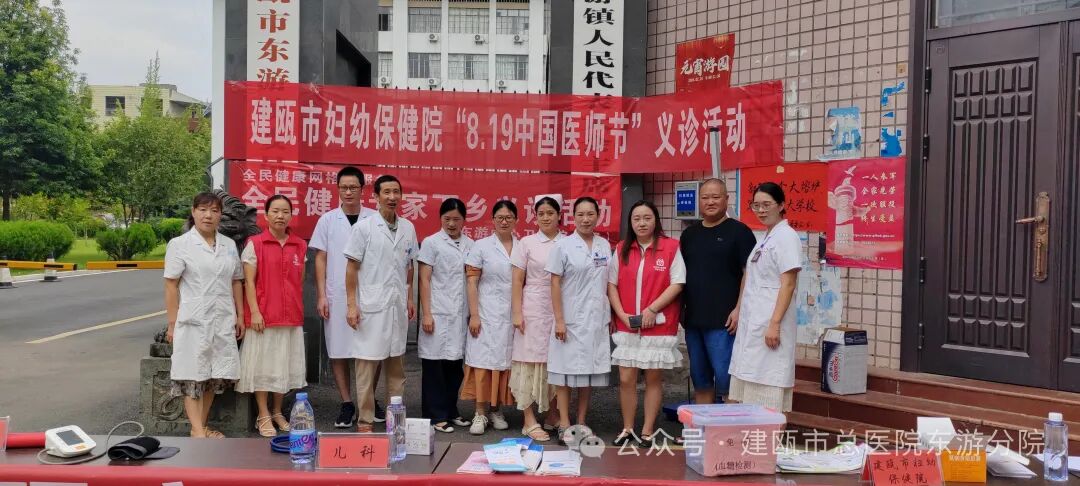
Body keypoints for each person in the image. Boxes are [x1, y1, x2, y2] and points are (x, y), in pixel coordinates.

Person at [164, 192, 245, 438]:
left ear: (220, 215)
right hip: (193, 320)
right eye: (202, 210)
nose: (208, 215)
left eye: (214, 211)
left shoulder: (228, 245)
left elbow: (236, 281)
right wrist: (172, 323)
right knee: (192, 375)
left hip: (222, 318)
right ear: (193, 212)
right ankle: (199, 432)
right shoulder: (180, 244)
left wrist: (240, 316)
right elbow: (171, 285)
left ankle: (200, 426)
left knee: (212, 376)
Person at [606, 200, 685, 447]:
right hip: (627, 325)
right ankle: (628, 428)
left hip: (658, 325)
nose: (642, 223)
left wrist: (652, 309)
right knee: (626, 378)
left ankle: (648, 430)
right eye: (636, 218)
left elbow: (677, 283)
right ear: (630, 223)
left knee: (653, 378)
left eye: (647, 218)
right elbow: (611, 284)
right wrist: (621, 314)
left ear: (656, 220)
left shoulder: (671, 247)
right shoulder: (622, 248)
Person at [343, 175, 418, 432]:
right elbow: (351, 268)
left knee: (397, 369)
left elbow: (409, 265)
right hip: (370, 306)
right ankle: (365, 421)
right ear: (375, 196)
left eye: (396, 192)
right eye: (386, 192)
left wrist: (409, 297)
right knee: (366, 365)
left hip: (397, 305)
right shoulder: (364, 228)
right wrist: (351, 305)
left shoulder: (408, 228)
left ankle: (394, 421)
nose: (392, 197)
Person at [310, 166, 380, 428]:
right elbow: (321, 258)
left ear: (363, 189)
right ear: (337, 189)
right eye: (343, 187)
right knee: (339, 349)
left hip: (370, 293)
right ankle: (347, 403)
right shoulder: (328, 220)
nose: (348, 192)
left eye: (353, 187)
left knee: (373, 349)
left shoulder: (375, 219)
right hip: (337, 294)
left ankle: (368, 399)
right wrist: (321, 295)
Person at [679, 178, 756, 404]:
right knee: (701, 381)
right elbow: (681, 276)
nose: (710, 202)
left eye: (716, 197)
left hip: (725, 322)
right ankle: (704, 425)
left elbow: (750, 274)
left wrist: (739, 309)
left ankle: (730, 427)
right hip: (693, 321)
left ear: (726, 199)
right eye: (705, 197)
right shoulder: (689, 235)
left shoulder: (740, 232)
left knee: (728, 384)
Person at [237, 195, 308, 437]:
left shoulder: (299, 245)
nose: (280, 216)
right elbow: (248, 282)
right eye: (275, 211)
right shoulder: (255, 244)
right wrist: (255, 311)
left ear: (291, 215)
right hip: (264, 318)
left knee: (283, 366)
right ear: (266, 215)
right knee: (263, 367)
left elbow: (300, 280)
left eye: (285, 211)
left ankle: (278, 411)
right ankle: (263, 413)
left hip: (291, 317)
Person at [728, 182, 802, 412]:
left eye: (766, 204)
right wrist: (739, 309)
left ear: (781, 205)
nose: (761, 210)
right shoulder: (765, 237)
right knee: (750, 389)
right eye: (756, 205)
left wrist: (775, 323)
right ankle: (753, 435)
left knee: (768, 391)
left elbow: (788, 283)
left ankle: (768, 436)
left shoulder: (787, 237)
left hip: (770, 321)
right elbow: (751, 279)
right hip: (754, 320)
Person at [545, 197, 612, 444]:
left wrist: (610, 314)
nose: (585, 219)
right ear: (573, 217)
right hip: (570, 319)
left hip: (595, 319)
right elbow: (554, 283)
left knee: (587, 374)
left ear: (598, 216)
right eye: (580, 214)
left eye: (590, 214)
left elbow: (608, 282)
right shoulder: (563, 246)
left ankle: (582, 422)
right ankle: (564, 423)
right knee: (564, 373)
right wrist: (559, 320)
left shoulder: (604, 245)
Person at [461, 201, 519, 435]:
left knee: (503, 363)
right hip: (485, 313)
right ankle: (480, 412)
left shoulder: (522, 247)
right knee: (482, 363)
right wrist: (474, 315)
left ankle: (496, 410)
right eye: (499, 217)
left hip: (511, 315)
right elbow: (472, 282)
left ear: (516, 220)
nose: (504, 221)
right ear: (492, 220)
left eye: (508, 217)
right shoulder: (481, 246)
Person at [417, 198, 474, 434]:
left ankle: (451, 410)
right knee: (435, 366)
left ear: (464, 220)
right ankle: (435, 416)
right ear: (440, 219)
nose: (451, 224)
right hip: (438, 311)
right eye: (447, 219)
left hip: (460, 313)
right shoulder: (431, 243)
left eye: (456, 219)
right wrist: (427, 314)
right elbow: (424, 279)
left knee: (454, 365)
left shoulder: (471, 244)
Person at [510, 195, 563, 442]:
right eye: (541, 213)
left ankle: (553, 415)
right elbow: (517, 280)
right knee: (528, 361)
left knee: (554, 362)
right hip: (532, 306)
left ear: (559, 215)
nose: (545, 217)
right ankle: (528, 419)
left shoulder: (567, 242)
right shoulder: (526, 243)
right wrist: (517, 312)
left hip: (558, 307)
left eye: (550, 213)